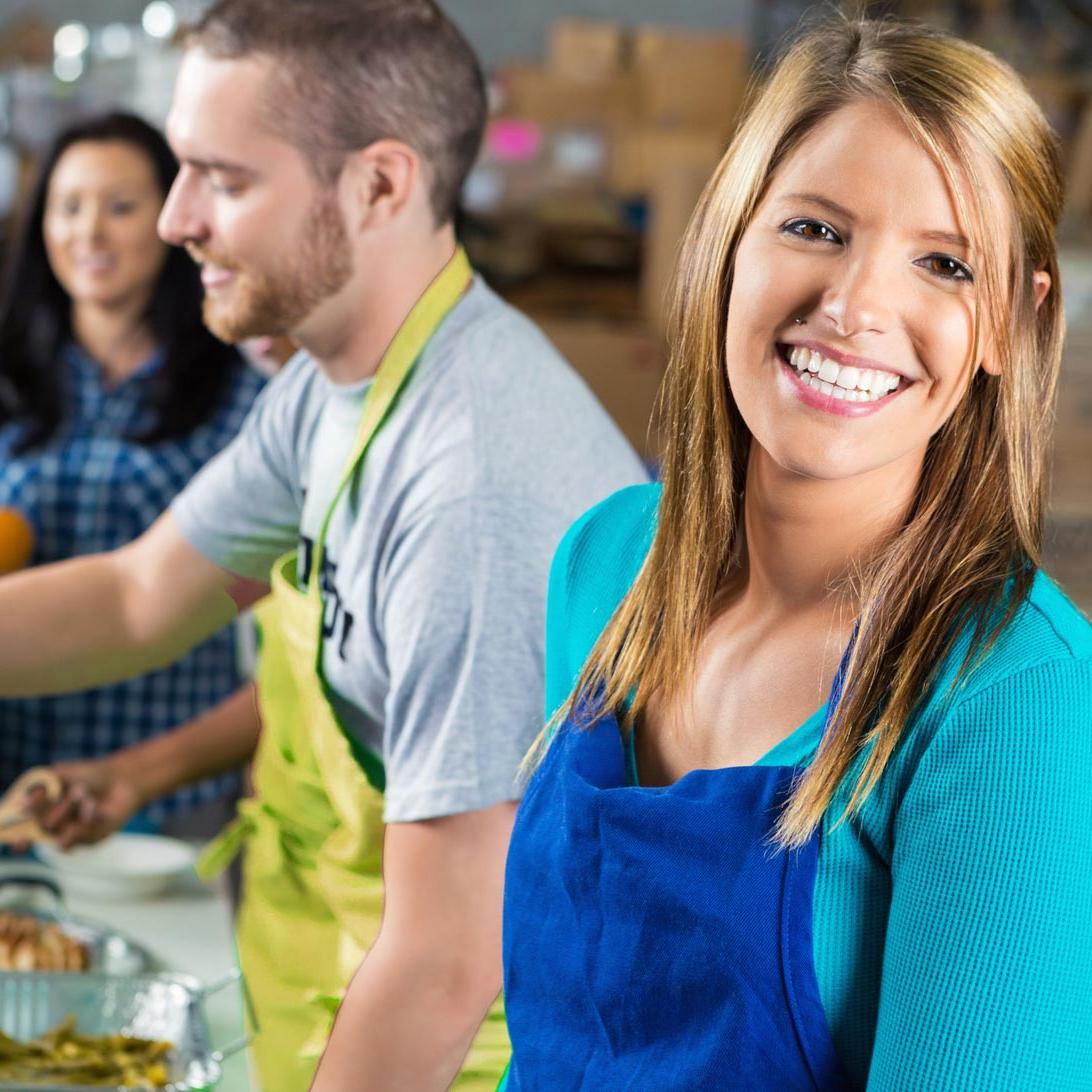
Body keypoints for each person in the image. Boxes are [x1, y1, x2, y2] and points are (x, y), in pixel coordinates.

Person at [7, 1, 647, 1089]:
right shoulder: (335, 387)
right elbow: (136, 596)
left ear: (381, 185)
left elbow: (448, 966)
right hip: (324, 1002)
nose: (172, 221)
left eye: (226, 178)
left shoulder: (474, 485)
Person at [499, 17, 1092, 1091]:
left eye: (945, 263)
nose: (857, 306)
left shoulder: (1019, 699)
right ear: (730, 234)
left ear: (1012, 320)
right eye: (815, 229)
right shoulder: (601, 563)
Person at [0, 112, 263, 836]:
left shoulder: (241, 391)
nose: (90, 233)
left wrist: (148, 774)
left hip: (168, 797)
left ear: (174, 219)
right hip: (19, 788)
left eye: (120, 208)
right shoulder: (11, 378)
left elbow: (280, 630)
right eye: (68, 206)